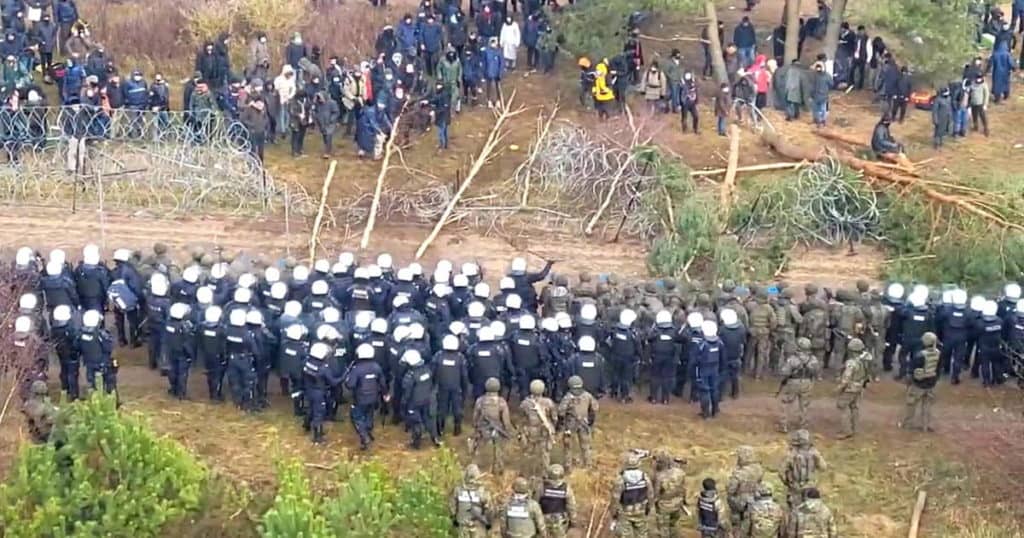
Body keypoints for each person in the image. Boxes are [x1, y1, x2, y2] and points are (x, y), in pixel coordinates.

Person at [471, 377, 514, 473]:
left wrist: (476, 428)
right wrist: (508, 432)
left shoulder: (480, 401)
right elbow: (506, 422)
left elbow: (475, 419)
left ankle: (483, 468)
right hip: (498, 432)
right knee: (499, 451)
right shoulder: (501, 402)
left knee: (481, 451)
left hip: (483, 432)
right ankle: (498, 468)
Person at [778, 338, 819, 433]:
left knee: (786, 403)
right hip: (807, 382)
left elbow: (785, 372)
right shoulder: (813, 359)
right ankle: (803, 425)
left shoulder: (793, 359)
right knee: (804, 405)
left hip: (793, 382)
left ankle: (784, 425)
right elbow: (816, 372)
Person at [519, 379, 557, 479]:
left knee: (528, 453)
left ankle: (527, 474)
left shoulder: (525, 403)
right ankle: (545, 475)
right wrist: (551, 427)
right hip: (544, 431)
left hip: (530, 431)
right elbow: (554, 418)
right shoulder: (549, 402)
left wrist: (522, 431)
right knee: (545, 454)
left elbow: (522, 418)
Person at [901, 331, 939, 432]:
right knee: (927, 406)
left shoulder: (920, 355)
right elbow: (938, 370)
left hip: (918, 385)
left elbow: (912, 370)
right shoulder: (938, 353)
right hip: (931, 384)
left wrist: (910, 381)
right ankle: (926, 425)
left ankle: (908, 424)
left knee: (911, 404)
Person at [779, 429, 827, 509]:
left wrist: (788, 483)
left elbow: (781, 472)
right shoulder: (814, 453)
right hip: (810, 488)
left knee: (794, 511)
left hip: (796, 488)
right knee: (811, 510)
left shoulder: (790, 454)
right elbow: (823, 467)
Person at [558, 375, 598, 470]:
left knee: (568, 446)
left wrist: (561, 424)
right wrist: (591, 421)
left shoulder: (568, 397)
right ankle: (588, 465)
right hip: (584, 423)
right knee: (586, 446)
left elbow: (561, 412)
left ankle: (568, 466)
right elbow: (594, 408)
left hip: (570, 425)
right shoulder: (587, 395)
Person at [835, 338, 871, 439]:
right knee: (854, 407)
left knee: (843, 407)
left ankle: (846, 431)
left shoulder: (851, 363)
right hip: (860, 386)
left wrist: (839, 388)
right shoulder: (865, 360)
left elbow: (846, 378)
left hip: (850, 388)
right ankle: (855, 429)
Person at [610, 452, 650, 538]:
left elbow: (615, 498)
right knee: (642, 534)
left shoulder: (621, 479)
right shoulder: (644, 477)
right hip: (641, 509)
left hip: (625, 511)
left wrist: (614, 513)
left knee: (625, 535)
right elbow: (650, 493)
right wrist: (648, 508)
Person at [726, 445, 764, 532]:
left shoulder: (739, 473)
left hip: (740, 501)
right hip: (755, 499)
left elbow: (731, 489)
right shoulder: (758, 469)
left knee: (737, 521)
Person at [652, 450, 687, 538]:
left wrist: (653, 504)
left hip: (664, 506)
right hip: (677, 503)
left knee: (663, 529)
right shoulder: (680, 473)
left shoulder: (659, 476)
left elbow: (656, 494)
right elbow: (683, 489)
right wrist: (684, 501)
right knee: (674, 526)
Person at [451, 463, 493, 537]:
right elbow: (490, 510)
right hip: (478, 527)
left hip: (462, 526)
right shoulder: (483, 491)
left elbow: (452, 507)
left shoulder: (458, 490)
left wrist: (454, 520)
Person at [536, 464, 575, 538]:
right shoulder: (566, 488)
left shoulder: (541, 487)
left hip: (544, 520)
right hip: (560, 521)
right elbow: (571, 506)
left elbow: (535, 503)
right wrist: (573, 521)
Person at [314, 91, 340, 158]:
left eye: (320, 98)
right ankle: (328, 148)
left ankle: (327, 152)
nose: (320, 100)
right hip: (322, 123)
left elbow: (336, 112)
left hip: (330, 123)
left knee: (328, 136)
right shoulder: (318, 104)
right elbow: (316, 111)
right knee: (325, 136)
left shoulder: (332, 103)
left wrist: (332, 119)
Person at [430, 80, 453, 149]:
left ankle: (443, 145)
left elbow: (446, 107)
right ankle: (443, 145)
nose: (438, 87)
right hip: (440, 116)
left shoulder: (445, 95)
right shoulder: (438, 94)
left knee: (442, 132)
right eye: (437, 85)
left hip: (444, 116)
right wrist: (428, 102)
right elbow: (435, 100)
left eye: (439, 85)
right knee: (441, 131)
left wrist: (436, 111)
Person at [483, 37, 504, 107]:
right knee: (489, 87)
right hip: (488, 72)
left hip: (496, 73)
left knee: (498, 87)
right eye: (492, 42)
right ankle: (489, 100)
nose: (493, 44)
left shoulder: (499, 52)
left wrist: (500, 73)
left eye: (494, 42)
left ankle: (498, 100)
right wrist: (484, 73)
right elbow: (484, 63)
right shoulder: (486, 51)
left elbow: (502, 63)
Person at [809, 61, 830, 127]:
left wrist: (811, 95)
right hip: (824, 95)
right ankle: (823, 121)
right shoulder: (827, 75)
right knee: (823, 109)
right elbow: (831, 84)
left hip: (816, 95)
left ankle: (818, 121)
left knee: (816, 109)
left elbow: (812, 86)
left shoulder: (813, 76)